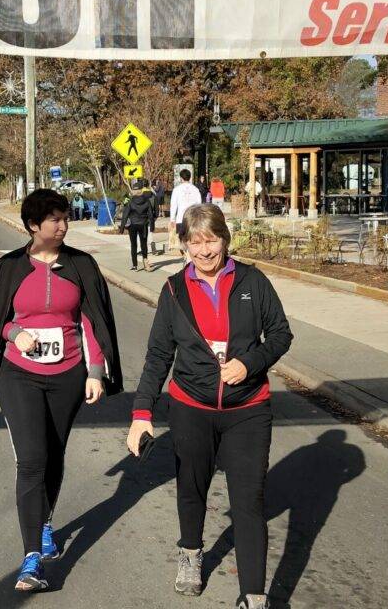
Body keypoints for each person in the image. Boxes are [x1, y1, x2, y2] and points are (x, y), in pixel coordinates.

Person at [125, 204, 292, 607]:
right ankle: (190, 553)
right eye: (195, 242)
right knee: (192, 487)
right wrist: (141, 414)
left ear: (225, 240)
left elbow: (281, 335)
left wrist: (250, 363)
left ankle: (253, 595)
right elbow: (158, 356)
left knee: (249, 501)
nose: (204, 251)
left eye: (211, 240)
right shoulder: (173, 290)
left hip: (248, 409)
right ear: (184, 245)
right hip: (191, 407)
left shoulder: (252, 281)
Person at [0, 189, 123, 592]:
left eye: (64, 217)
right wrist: (16, 333)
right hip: (18, 374)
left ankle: (44, 523)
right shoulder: (8, 268)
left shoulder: (81, 266)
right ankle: (31, 558)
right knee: (32, 458)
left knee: (54, 455)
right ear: (32, 226)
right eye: (54, 219)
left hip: (68, 375)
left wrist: (95, 372)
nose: (63, 225)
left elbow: (92, 320)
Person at [120, 179, 156, 271]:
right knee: (144, 245)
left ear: (134, 191)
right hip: (143, 225)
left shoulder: (130, 202)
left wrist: (122, 228)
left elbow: (125, 215)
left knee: (134, 245)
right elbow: (151, 215)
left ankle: (135, 265)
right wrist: (152, 227)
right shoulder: (147, 201)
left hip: (132, 225)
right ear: (141, 190)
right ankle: (145, 264)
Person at [169, 169, 202, 242]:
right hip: (193, 219)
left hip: (181, 218)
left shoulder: (176, 190)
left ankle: (185, 252)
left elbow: (173, 205)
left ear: (181, 178)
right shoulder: (195, 189)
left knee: (182, 240)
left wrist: (172, 219)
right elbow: (199, 204)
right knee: (192, 240)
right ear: (190, 177)